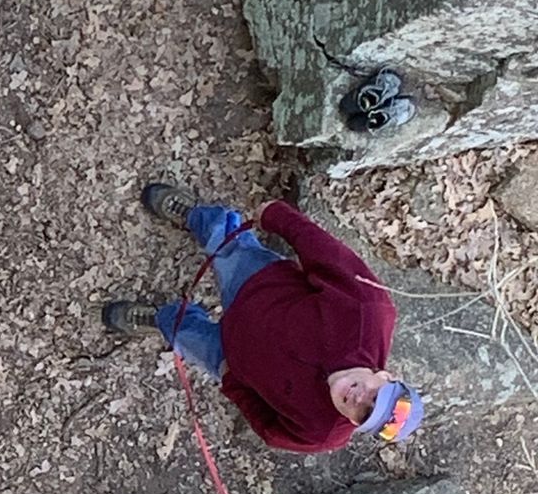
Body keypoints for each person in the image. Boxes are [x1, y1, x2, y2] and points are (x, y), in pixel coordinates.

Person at [102, 181, 425, 454]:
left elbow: (270, 432)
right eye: (375, 395)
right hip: (258, 282)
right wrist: (277, 217)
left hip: (230, 359)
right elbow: (327, 254)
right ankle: (196, 216)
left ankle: (163, 318)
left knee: (183, 336)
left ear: (356, 425)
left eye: (364, 413)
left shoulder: (322, 433)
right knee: (226, 242)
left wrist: (233, 382)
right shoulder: (368, 311)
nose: (359, 398)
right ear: (386, 376)